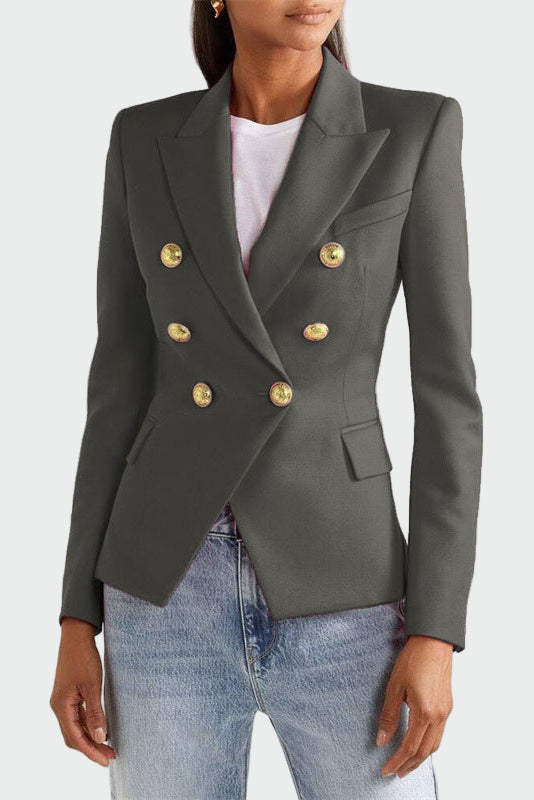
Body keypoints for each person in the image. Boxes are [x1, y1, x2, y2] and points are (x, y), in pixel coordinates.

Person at [50, 1, 483, 798]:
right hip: (163, 591)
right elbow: (118, 387)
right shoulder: (145, 137)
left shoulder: (413, 128)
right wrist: (78, 616)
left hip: (346, 581)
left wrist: (435, 629)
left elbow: (448, 396)